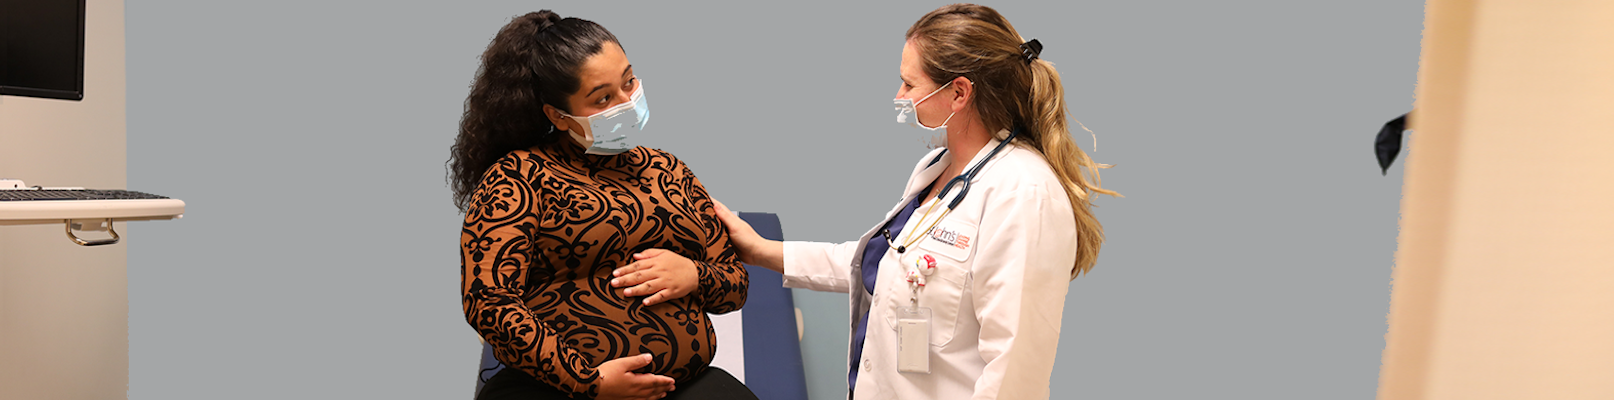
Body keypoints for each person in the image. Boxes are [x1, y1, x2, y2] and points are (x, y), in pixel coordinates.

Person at [710, 4, 1122, 399]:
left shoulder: (1022, 194)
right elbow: (885, 264)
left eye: (909, 83)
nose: (900, 94)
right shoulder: (937, 168)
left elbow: (1015, 374)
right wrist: (762, 251)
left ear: (958, 93)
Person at [450, 10, 757, 400]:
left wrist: (694, 274)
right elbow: (489, 303)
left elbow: (735, 286)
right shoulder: (517, 178)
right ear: (557, 116)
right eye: (603, 98)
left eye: (629, 82)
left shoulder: (669, 170)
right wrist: (586, 381)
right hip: (556, 390)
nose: (627, 102)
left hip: (683, 387)